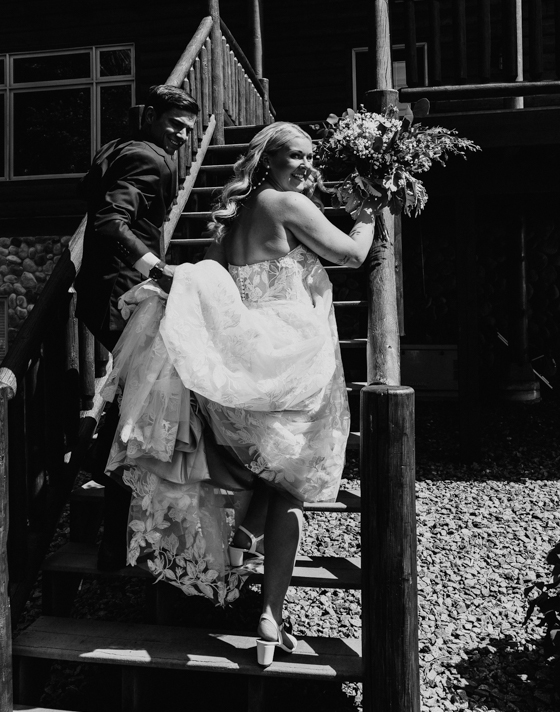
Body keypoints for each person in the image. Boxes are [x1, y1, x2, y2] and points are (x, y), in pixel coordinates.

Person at [102, 122, 375, 663]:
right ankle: (270, 615)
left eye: (309, 157)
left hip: (244, 362)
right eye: (295, 156)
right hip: (289, 358)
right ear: (267, 161)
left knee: (271, 473)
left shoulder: (230, 221)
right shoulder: (286, 204)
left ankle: (248, 534)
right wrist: (371, 216)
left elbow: (216, 284)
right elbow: (350, 256)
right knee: (293, 485)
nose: (305, 166)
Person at [74, 84, 199, 568]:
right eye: (174, 124)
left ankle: (98, 466)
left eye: (188, 129)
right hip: (121, 298)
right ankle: (108, 491)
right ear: (150, 116)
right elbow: (110, 221)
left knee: (137, 397)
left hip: (104, 293)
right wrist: (154, 267)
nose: (182, 136)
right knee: (143, 401)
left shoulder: (123, 148)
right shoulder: (148, 158)